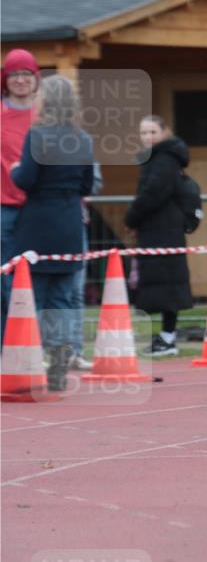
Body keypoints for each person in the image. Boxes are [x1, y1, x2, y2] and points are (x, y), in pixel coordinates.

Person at [10, 75, 94, 391]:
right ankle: (59, 364)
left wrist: (15, 169)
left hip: (39, 222)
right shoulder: (82, 138)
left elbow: (27, 179)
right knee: (61, 297)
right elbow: (87, 184)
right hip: (70, 222)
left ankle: (32, 360)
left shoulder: (38, 135)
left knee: (33, 295)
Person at [125, 116, 193, 356]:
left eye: (152, 132)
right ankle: (165, 337)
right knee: (163, 286)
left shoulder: (164, 159)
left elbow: (153, 193)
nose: (147, 137)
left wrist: (131, 218)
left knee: (168, 286)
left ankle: (167, 338)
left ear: (165, 132)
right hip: (157, 229)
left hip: (164, 231)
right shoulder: (159, 158)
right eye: (143, 133)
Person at [1, 49, 41, 345]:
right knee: (5, 280)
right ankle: (8, 343)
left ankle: (36, 343)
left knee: (40, 278)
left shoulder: (46, 117)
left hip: (40, 209)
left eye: (26, 74)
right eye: (14, 74)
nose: (20, 80)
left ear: (35, 78)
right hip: (4, 208)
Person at [69, 160, 104, 370]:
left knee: (75, 292)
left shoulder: (82, 146)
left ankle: (75, 352)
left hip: (75, 223)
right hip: (40, 221)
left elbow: (94, 183)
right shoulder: (34, 143)